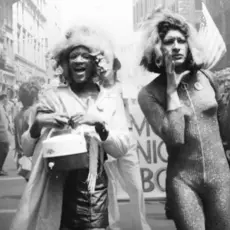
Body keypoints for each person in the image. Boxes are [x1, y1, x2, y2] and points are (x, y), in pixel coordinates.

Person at [10, 24, 133, 230]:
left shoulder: (110, 99)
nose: (78, 60)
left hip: (94, 187)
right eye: (73, 56)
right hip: (57, 186)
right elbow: (27, 148)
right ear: (65, 63)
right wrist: (38, 125)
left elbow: (121, 148)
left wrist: (100, 126)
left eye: (84, 56)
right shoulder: (52, 97)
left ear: (95, 62)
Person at [137, 9, 230, 230]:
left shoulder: (207, 78)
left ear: (190, 45)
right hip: (183, 182)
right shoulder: (149, 93)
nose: (177, 46)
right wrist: (170, 90)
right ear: (157, 48)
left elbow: (225, 131)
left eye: (182, 40)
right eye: (169, 42)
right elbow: (175, 137)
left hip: (222, 179)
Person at [102, 72, 151, 230]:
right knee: (110, 187)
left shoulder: (123, 86)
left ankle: (141, 225)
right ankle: (113, 226)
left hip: (126, 140)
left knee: (136, 186)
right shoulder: (94, 88)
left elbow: (132, 107)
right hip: (106, 139)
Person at [14, 81, 40, 181]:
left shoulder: (18, 115)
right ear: (35, 97)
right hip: (32, 158)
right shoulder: (33, 112)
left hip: (22, 159)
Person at [0, 94, 10, 176]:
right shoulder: (0, 107)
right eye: (6, 98)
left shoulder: (3, 107)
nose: (8, 100)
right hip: (1, 132)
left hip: (4, 131)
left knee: (3, 149)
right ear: (3, 98)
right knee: (5, 149)